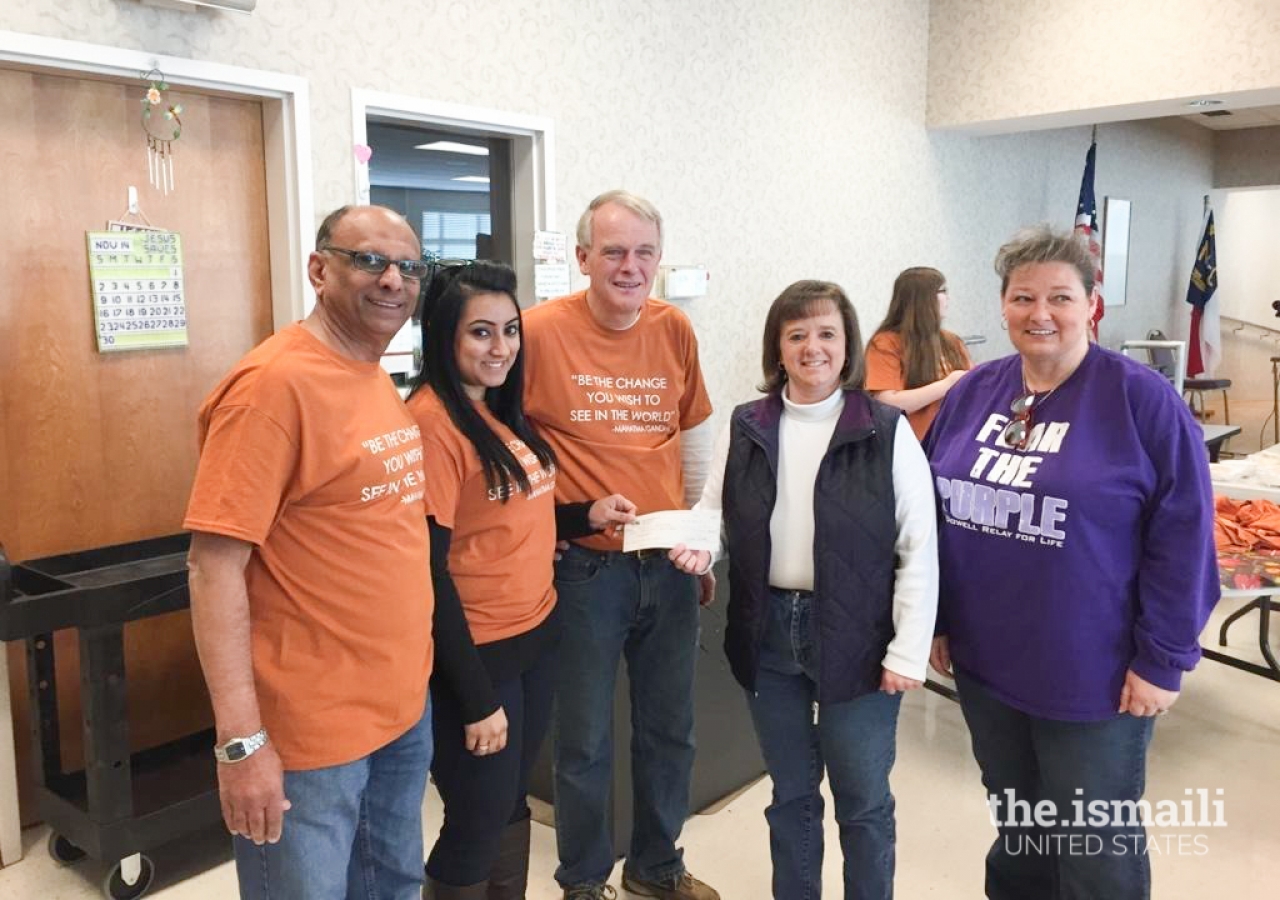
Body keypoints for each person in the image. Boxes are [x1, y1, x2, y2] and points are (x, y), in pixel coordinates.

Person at [924, 225, 1218, 900]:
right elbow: (933, 512)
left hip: (1096, 676)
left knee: (1093, 846)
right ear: (1003, 305)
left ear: (1092, 304)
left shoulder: (1141, 400)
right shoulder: (974, 393)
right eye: (1023, 297)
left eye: (1060, 296)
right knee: (1018, 828)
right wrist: (934, 619)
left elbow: (1185, 536)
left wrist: (1163, 658)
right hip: (986, 664)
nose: (1040, 313)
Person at [184, 205, 435, 900]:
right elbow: (213, 567)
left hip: (399, 713)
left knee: (393, 887)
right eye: (370, 261)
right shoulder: (272, 387)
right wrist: (241, 744)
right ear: (319, 269)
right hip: (309, 738)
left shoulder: (370, 372)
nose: (393, 280)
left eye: (409, 267)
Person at [670, 280, 938, 900]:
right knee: (790, 796)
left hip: (860, 636)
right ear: (778, 348)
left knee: (863, 802)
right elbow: (714, 508)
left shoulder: (885, 430)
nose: (812, 348)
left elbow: (918, 545)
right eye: (797, 335)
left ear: (847, 346)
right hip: (769, 633)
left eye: (826, 334)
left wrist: (907, 649)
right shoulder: (749, 423)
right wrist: (703, 546)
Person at [406, 261, 636, 899]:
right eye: (481, 333)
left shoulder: (498, 412)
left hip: (535, 636)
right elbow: (427, 571)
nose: (501, 347)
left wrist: (581, 514)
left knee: (507, 805)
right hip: (477, 656)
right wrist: (476, 697)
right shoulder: (433, 424)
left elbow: (505, 515)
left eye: (509, 330)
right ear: (444, 336)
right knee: (477, 816)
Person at [521, 190, 718, 900]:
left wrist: (701, 536)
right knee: (584, 744)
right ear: (582, 259)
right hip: (584, 571)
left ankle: (656, 867)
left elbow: (693, 438)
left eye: (643, 253)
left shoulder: (675, 329)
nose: (629, 267)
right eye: (613, 252)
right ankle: (581, 882)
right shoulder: (536, 333)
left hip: (666, 564)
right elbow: (504, 442)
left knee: (671, 731)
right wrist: (537, 532)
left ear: (658, 261)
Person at [864, 266, 972, 441]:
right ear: (923, 299)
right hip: (912, 446)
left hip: (955, 442)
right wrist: (947, 385)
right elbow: (886, 403)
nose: (948, 298)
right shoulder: (885, 344)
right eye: (943, 291)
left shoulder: (953, 341)